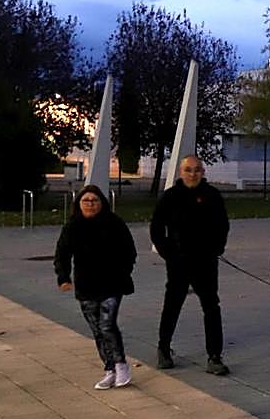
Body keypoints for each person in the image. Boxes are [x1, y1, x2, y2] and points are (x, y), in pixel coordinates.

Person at [150, 155, 231, 375]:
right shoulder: (170, 197)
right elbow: (156, 228)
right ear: (180, 172)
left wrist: (217, 248)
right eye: (188, 170)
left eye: (196, 170)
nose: (192, 174)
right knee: (172, 305)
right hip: (178, 262)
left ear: (203, 172)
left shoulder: (212, 196)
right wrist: (169, 254)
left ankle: (215, 356)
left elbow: (222, 225)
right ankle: (164, 349)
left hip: (206, 261)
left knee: (211, 307)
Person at [55, 184, 137, 390]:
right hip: (86, 284)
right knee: (96, 329)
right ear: (78, 204)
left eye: (95, 200)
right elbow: (62, 254)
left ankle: (121, 364)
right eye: (86, 201)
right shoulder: (73, 227)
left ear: (102, 202)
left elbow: (129, 251)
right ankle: (109, 369)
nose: (90, 204)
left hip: (112, 283)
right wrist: (63, 277)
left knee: (107, 325)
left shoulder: (114, 223)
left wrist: (123, 271)